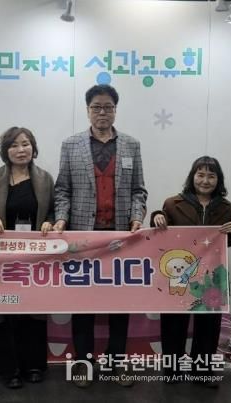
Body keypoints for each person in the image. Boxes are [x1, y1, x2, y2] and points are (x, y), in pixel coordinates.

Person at [53, 84, 147, 387]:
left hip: (120, 239)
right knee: (83, 304)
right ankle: (83, 362)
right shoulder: (71, 145)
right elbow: (62, 189)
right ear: (88, 110)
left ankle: (116, 361)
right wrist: (61, 219)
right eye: (96, 107)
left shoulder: (131, 145)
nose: (102, 112)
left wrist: (136, 216)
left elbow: (139, 190)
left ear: (115, 110)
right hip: (83, 238)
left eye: (108, 106)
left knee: (119, 304)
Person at [151, 156, 231, 388]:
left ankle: (202, 371)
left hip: (212, 277)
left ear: (218, 180)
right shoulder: (173, 203)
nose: (205, 180)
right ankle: (173, 369)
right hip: (179, 275)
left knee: (208, 327)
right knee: (173, 323)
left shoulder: (228, 208)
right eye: (200, 175)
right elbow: (158, 230)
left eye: (211, 176)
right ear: (192, 177)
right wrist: (156, 216)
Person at [0, 127, 54, 389]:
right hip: (5, 259)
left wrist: (50, 222)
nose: (21, 150)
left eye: (25, 144)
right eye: (14, 145)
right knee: (7, 312)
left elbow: (54, 211)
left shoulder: (45, 179)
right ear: (5, 151)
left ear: (33, 147)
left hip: (35, 259)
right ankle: (9, 369)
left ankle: (33, 365)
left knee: (33, 312)